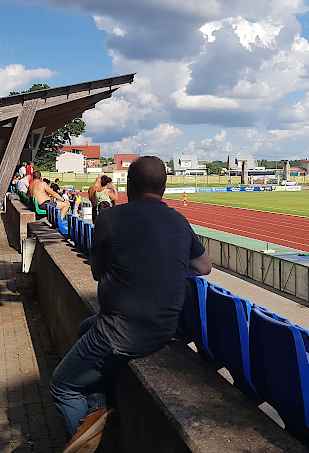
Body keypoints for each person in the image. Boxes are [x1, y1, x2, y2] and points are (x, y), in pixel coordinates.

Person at [50, 156, 211, 446]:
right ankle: (98, 409)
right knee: (86, 327)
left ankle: (86, 444)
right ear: (163, 187)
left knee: (62, 386)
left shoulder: (111, 217)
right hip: (162, 331)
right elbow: (203, 267)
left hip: (120, 334)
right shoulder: (178, 219)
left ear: (128, 186)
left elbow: (98, 273)